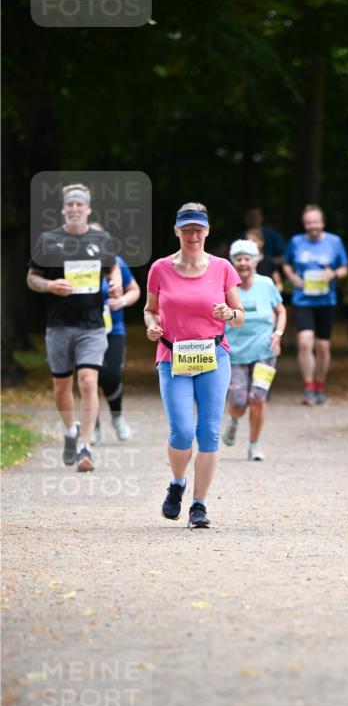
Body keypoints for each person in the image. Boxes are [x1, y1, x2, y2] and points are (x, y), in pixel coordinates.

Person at [144, 202, 244, 528]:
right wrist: (152, 325)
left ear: (207, 231)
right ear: (176, 231)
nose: (193, 235)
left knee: (209, 432)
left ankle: (199, 505)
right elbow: (149, 309)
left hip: (213, 355)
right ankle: (177, 483)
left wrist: (229, 313)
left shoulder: (222, 268)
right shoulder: (160, 268)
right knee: (183, 430)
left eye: (199, 229)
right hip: (173, 356)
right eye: (187, 229)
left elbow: (239, 315)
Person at [27, 183, 121, 472]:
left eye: (80, 204)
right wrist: (49, 285)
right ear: (63, 209)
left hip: (92, 325)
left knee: (89, 381)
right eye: (70, 204)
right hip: (58, 325)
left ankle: (85, 446)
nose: (75, 208)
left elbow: (113, 268)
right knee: (61, 387)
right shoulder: (48, 240)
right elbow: (32, 278)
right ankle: (71, 430)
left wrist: (115, 283)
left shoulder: (101, 239)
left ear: (88, 209)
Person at [222, 239, 286, 460]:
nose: (243, 263)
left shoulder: (266, 284)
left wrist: (278, 334)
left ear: (256, 261)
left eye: (247, 258)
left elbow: (281, 310)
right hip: (235, 354)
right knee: (239, 401)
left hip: (265, 352)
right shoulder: (226, 287)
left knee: (258, 397)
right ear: (233, 262)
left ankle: (254, 445)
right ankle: (234, 419)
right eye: (238, 259)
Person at [283, 204, 348, 405]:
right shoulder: (296, 242)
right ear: (304, 224)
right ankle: (308, 387)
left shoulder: (334, 242)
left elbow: (344, 268)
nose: (312, 226)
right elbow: (286, 264)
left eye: (315, 222)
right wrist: (293, 277)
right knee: (305, 342)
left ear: (323, 222)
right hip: (303, 299)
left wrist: (333, 274)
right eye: (308, 222)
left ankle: (320, 385)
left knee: (322, 346)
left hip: (326, 300)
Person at [93, 250, 141, 443]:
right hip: (84, 330)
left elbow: (135, 290)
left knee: (111, 375)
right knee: (89, 379)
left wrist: (122, 301)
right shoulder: (76, 262)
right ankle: (93, 427)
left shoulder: (116, 262)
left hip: (114, 330)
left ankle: (117, 415)